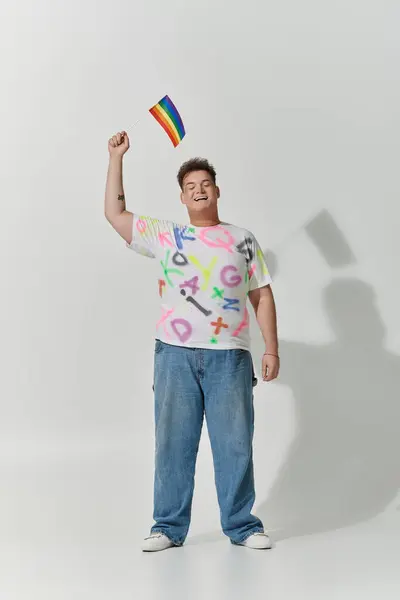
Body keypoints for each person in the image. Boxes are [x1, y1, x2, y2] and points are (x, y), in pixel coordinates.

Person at [104, 131, 280, 552]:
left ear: (217, 191)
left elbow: (262, 293)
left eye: (205, 184)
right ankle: (167, 526)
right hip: (175, 355)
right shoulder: (167, 235)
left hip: (230, 358)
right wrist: (116, 158)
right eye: (190, 187)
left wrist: (270, 346)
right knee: (172, 444)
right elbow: (115, 214)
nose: (198, 191)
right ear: (182, 197)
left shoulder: (242, 238)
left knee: (235, 444)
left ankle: (242, 525)